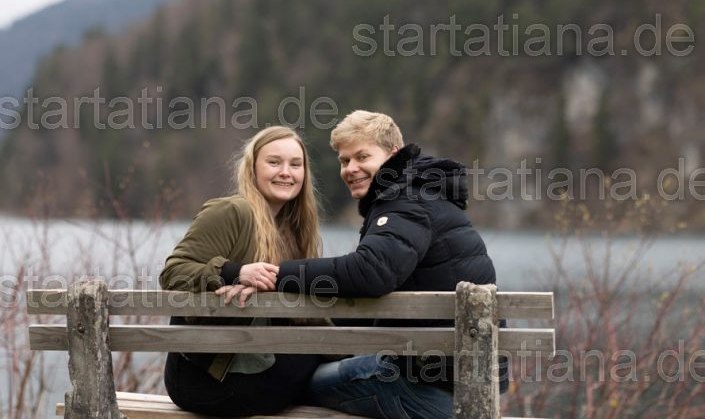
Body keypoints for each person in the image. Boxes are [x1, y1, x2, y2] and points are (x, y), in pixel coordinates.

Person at [223, 110, 501, 419]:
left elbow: (371, 272)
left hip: (427, 384)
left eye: (362, 157)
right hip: (453, 376)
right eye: (344, 161)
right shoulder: (418, 193)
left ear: (393, 153)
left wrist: (276, 275)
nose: (351, 169)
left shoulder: (406, 202)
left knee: (293, 385)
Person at [158, 126, 323, 417]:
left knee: (330, 361)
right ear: (252, 168)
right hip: (205, 378)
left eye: (295, 165)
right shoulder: (231, 212)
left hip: (253, 365)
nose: (286, 172)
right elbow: (173, 273)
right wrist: (235, 272)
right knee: (328, 364)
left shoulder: (293, 230)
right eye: (274, 162)